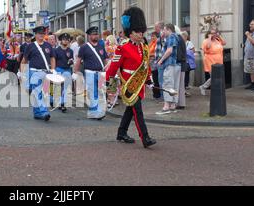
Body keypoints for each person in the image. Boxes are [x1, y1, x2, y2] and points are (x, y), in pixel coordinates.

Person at [106, 7, 157, 148]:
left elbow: (146, 66)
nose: (141, 34)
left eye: (142, 32)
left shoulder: (143, 47)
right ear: (131, 32)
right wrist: (109, 86)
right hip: (129, 85)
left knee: (131, 110)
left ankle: (121, 132)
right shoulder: (123, 47)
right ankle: (145, 137)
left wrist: (149, 80)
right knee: (138, 111)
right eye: (138, 32)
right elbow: (113, 67)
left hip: (139, 84)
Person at [22, 26, 56, 121]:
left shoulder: (48, 45)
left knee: (45, 93)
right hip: (34, 72)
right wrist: (21, 73)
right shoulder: (30, 46)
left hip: (46, 72)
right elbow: (24, 61)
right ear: (35, 35)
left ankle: (37, 113)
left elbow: (52, 58)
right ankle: (44, 111)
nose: (41, 35)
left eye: (43, 33)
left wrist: (53, 69)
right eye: (39, 33)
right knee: (37, 93)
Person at [74, 26, 108, 120]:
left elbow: (105, 59)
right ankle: (95, 112)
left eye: (97, 34)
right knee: (93, 93)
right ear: (89, 36)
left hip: (101, 73)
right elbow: (78, 60)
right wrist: (75, 72)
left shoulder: (101, 46)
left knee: (101, 92)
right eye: (93, 34)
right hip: (90, 73)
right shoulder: (84, 47)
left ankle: (98, 111)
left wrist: (107, 70)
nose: (96, 36)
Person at [155, 24, 181, 115]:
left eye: (164, 30)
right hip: (176, 65)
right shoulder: (177, 37)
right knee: (174, 85)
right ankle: (173, 106)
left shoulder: (171, 37)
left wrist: (161, 61)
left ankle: (166, 107)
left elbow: (169, 50)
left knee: (167, 85)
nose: (163, 32)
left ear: (169, 30)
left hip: (170, 64)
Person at [199, 28, 226, 96]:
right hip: (210, 60)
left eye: (215, 33)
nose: (213, 34)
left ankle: (213, 89)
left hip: (219, 60)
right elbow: (208, 47)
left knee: (218, 76)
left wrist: (219, 36)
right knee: (214, 76)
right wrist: (209, 38)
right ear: (209, 34)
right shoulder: (206, 41)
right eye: (212, 33)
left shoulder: (218, 40)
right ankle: (203, 87)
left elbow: (224, 43)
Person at [54, 33, 74, 112]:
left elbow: (71, 60)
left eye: (67, 40)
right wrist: (54, 70)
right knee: (59, 87)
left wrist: (71, 61)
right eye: (64, 40)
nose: (65, 41)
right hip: (58, 69)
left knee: (65, 88)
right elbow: (54, 60)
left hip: (67, 70)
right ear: (61, 41)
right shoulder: (56, 50)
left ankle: (63, 103)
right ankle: (59, 102)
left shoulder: (70, 51)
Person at [181, 31, 196, 95]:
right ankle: (184, 88)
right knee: (183, 75)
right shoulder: (180, 43)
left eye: (183, 36)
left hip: (187, 62)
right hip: (182, 61)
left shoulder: (189, 43)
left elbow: (193, 50)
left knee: (186, 74)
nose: (182, 37)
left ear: (186, 37)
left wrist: (186, 51)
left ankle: (185, 86)